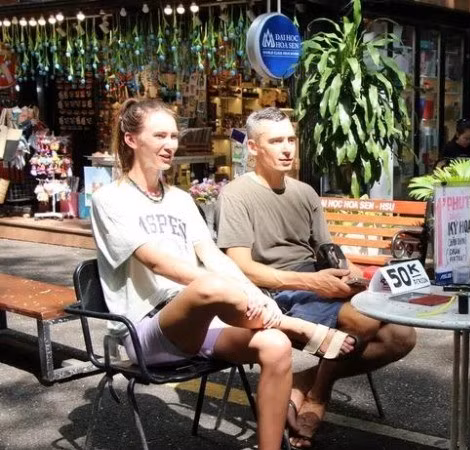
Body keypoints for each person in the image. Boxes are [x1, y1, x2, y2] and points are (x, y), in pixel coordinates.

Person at [91, 99, 358, 450]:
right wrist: (226, 289)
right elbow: (156, 262)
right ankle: (297, 327)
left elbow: (212, 255)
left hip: (206, 321)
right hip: (150, 330)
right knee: (211, 285)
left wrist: (256, 295)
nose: (170, 144)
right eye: (159, 135)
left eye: (174, 135)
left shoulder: (180, 200)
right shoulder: (109, 199)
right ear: (131, 140)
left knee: (275, 345)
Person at [216, 107, 417, 449]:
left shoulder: (304, 193)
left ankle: (306, 382)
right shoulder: (236, 195)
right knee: (367, 325)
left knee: (402, 335)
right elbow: (242, 267)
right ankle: (319, 397)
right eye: (276, 141)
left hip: (316, 282)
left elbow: (324, 247)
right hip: (272, 293)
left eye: (291, 139)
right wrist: (314, 283)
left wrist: (347, 269)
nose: (287, 149)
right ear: (253, 148)